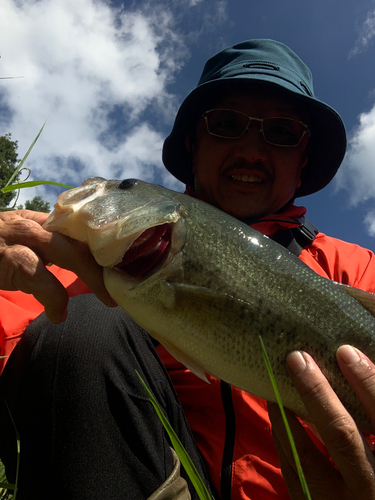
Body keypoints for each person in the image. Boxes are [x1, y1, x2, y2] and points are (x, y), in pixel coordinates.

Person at [1, 38, 375, 500]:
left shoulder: (359, 271)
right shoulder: (91, 264)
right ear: (192, 145)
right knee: (84, 325)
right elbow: (16, 332)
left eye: (281, 132)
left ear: (303, 163)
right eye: (227, 124)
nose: (252, 150)